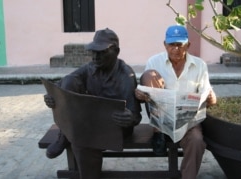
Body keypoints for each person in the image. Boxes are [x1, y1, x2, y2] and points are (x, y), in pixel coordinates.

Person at [44, 28, 142, 179]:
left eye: (102, 52)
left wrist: (129, 118)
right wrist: (53, 96)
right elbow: (62, 84)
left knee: (82, 139)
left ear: (116, 51)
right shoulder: (90, 67)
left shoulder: (125, 75)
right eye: (93, 51)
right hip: (92, 121)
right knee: (70, 81)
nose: (95, 57)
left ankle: (72, 138)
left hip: (115, 128)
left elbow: (135, 115)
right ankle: (64, 135)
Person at [135, 25, 217, 179]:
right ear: (165, 45)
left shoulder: (200, 66)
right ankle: (158, 133)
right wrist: (140, 93)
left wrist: (211, 98)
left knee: (197, 141)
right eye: (172, 45)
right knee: (149, 75)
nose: (176, 49)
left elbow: (209, 94)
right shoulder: (154, 61)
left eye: (180, 45)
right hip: (162, 121)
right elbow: (144, 91)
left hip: (188, 122)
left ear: (188, 45)